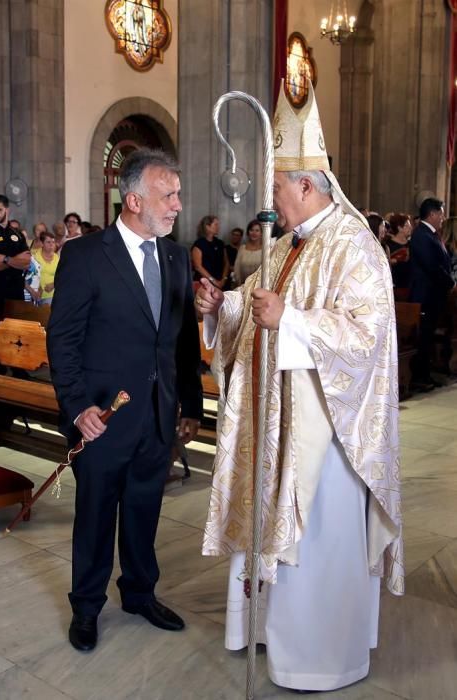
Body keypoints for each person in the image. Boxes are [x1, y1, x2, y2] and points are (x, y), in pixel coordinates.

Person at [197, 82, 403, 693]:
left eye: (278, 193)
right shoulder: (289, 243)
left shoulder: (355, 244)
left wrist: (290, 320)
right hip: (275, 421)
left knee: (318, 548)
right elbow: (257, 302)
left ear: (307, 186)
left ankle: (320, 657)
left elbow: (367, 337)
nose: (271, 206)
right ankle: (270, 635)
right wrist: (223, 307)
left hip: (328, 435)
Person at [47, 148, 203, 652]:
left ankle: (139, 593)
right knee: (95, 515)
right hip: (103, 418)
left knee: (142, 511)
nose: (179, 204)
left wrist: (192, 407)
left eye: (178, 194)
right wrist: (77, 408)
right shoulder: (87, 255)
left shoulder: (176, 258)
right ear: (134, 199)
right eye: (170, 194)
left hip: (157, 418)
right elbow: (63, 342)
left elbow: (181, 340)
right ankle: (86, 607)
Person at [409, 197, 455, 390]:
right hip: (425, 296)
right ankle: (420, 377)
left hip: (433, 296)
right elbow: (432, 266)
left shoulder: (431, 234)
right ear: (433, 214)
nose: (443, 217)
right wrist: (450, 282)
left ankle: (426, 374)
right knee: (424, 338)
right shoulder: (421, 235)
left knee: (428, 338)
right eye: (441, 213)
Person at [0, 194, 31, 319]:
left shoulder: (17, 234)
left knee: (17, 329)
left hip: (15, 289)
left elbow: (27, 262)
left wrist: (5, 259)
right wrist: (16, 261)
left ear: (7, 210)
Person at [191, 215, 229, 289]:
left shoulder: (220, 243)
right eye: (216, 224)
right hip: (203, 283)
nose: (218, 227)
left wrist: (223, 280)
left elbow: (226, 263)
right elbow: (198, 267)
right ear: (207, 226)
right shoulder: (199, 244)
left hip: (221, 282)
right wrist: (214, 281)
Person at [233, 219, 263, 285]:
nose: (254, 233)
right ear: (248, 232)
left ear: (261, 233)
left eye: (257, 230)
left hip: (260, 288)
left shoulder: (265, 250)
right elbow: (237, 269)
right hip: (243, 286)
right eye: (251, 230)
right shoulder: (242, 248)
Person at [32, 231, 59, 305]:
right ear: (42, 243)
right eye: (48, 242)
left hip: (53, 294)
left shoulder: (57, 257)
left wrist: (54, 284)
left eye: (53, 242)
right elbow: (29, 275)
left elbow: (62, 275)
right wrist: (38, 287)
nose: (51, 244)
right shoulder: (34, 256)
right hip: (36, 294)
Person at [388, 213, 413, 289]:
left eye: (410, 225)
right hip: (395, 285)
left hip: (410, 285)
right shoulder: (388, 245)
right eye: (407, 226)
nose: (411, 228)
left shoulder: (412, 244)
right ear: (399, 228)